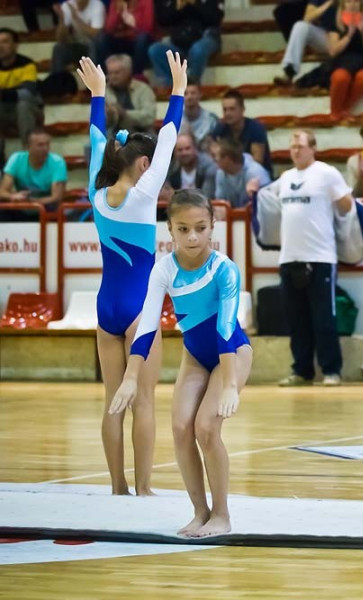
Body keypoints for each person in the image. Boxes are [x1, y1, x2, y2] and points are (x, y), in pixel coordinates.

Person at [75, 50, 186, 496]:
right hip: (141, 310)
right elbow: (170, 138)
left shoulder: (97, 194)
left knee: (111, 402)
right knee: (143, 401)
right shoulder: (144, 195)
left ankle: (117, 487)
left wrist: (98, 95)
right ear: (143, 165)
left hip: (106, 308)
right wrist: (177, 89)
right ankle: (143, 489)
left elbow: (96, 136)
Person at [110, 189, 252, 538]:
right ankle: (200, 512)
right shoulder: (163, 270)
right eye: (183, 229)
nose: (192, 237)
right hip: (194, 358)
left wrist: (231, 383)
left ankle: (222, 514)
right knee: (179, 428)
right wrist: (130, 377)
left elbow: (226, 327)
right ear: (169, 230)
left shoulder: (224, 269)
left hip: (231, 353)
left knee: (206, 427)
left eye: (201, 228)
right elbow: (147, 325)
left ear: (212, 227)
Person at [276, 129, 354, 387]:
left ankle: (332, 370)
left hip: (320, 257)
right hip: (289, 258)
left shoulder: (327, 173)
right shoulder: (285, 177)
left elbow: (346, 205)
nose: (295, 150)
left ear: (312, 148)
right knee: (296, 320)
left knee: (323, 318)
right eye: (292, 146)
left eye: (300, 145)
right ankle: (302, 370)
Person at [148, 0, 223, 85]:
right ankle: (171, 87)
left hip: (206, 38)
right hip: (177, 42)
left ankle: (191, 86)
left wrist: (195, 3)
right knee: (155, 50)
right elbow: (162, 20)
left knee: (198, 50)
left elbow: (215, 18)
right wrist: (177, 8)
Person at [326, 0, 363, 118]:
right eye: (348, 1)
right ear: (343, 4)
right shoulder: (334, 20)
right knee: (341, 77)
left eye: (356, 1)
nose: (353, 4)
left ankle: (345, 109)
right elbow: (333, 51)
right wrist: (349, 36)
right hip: (341, 62)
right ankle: (335, 112)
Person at [0, 128, 67, 218]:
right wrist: (13, 196)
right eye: (40, 145)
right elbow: (2, 192)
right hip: (21, 208)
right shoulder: (16, 159)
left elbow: (56, 198)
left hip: (46, 208)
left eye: (47, 144)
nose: (45, 149)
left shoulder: (57, 162)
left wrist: (30, 202)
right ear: (28, 147)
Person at [212, 89, 273, 176]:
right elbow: (215, 154)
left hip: (256, 175)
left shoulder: (256, 128)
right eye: (225, 110)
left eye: (232, 109)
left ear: (242, 109)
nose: (227, 113)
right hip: (230, 173)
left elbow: (257, 162)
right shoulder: (221, 128)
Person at [50, 0, 106, 74]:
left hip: (93, 47)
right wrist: (62, 19)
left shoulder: (97, 5)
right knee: (58, 48)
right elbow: (61, 39)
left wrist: (76, 18)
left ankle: (95, 81)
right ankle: (57, 82)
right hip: (76, 46)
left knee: (94, 44)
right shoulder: (67, 6)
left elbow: (94, 34)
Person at [180, 78, 218, 151]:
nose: (189, 97)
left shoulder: (211, 120)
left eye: (193, 93)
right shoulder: (175, 120)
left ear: (200, 95)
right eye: (185, 93)